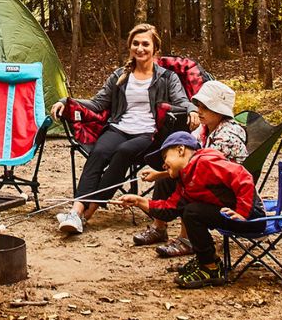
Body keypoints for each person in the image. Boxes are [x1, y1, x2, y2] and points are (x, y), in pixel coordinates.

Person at [49, 23, 197, 234]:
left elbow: (182, 100)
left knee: (123, 152)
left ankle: (87, 212)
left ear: (155, 49)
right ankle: (76, 212)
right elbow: (98, 103)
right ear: (130, 47)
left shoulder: (167, 77)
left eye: (145, 44)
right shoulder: (120, 75)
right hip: (119, 128)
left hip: (149, 134)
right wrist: (67, 101)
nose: (140, 48)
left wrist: (192, 110)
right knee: (99, 152)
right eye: (135, 44)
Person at [120, 131, 266, 289]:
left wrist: (242, 212)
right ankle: (209, 260)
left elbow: (243, 176)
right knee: (189, 210)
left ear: (181, 150)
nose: (163, 165)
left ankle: (210, 268)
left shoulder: (205, 163)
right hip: (232, 216)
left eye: (164, 158)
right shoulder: (185, 181)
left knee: (192, 212)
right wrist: (138, 201)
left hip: (251, 217)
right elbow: (168, 209)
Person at [133, 79, 248, 256]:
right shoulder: (204, 129)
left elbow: (203, 170)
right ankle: (159, 228)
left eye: (205, 107)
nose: (199, 111)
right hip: (207, 180)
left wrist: (164, 174)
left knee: (184, 182)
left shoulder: (227, 136)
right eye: (199, 106)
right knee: (166, 179)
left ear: (220, 111)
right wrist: (161, 174)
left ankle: (186, 239)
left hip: (223, 190)